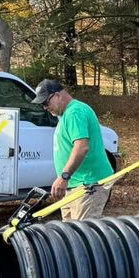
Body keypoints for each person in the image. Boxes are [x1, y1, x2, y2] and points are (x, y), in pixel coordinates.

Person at [32, 78, 115, 220]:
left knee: (84, 236)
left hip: (87, 185)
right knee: (71, 237)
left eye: (46, 102)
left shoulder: (75, 112)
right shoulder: (65, 114)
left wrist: (64, 176)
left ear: (57, 95)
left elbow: (82, 147)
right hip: (74, 185)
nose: (45, 107)